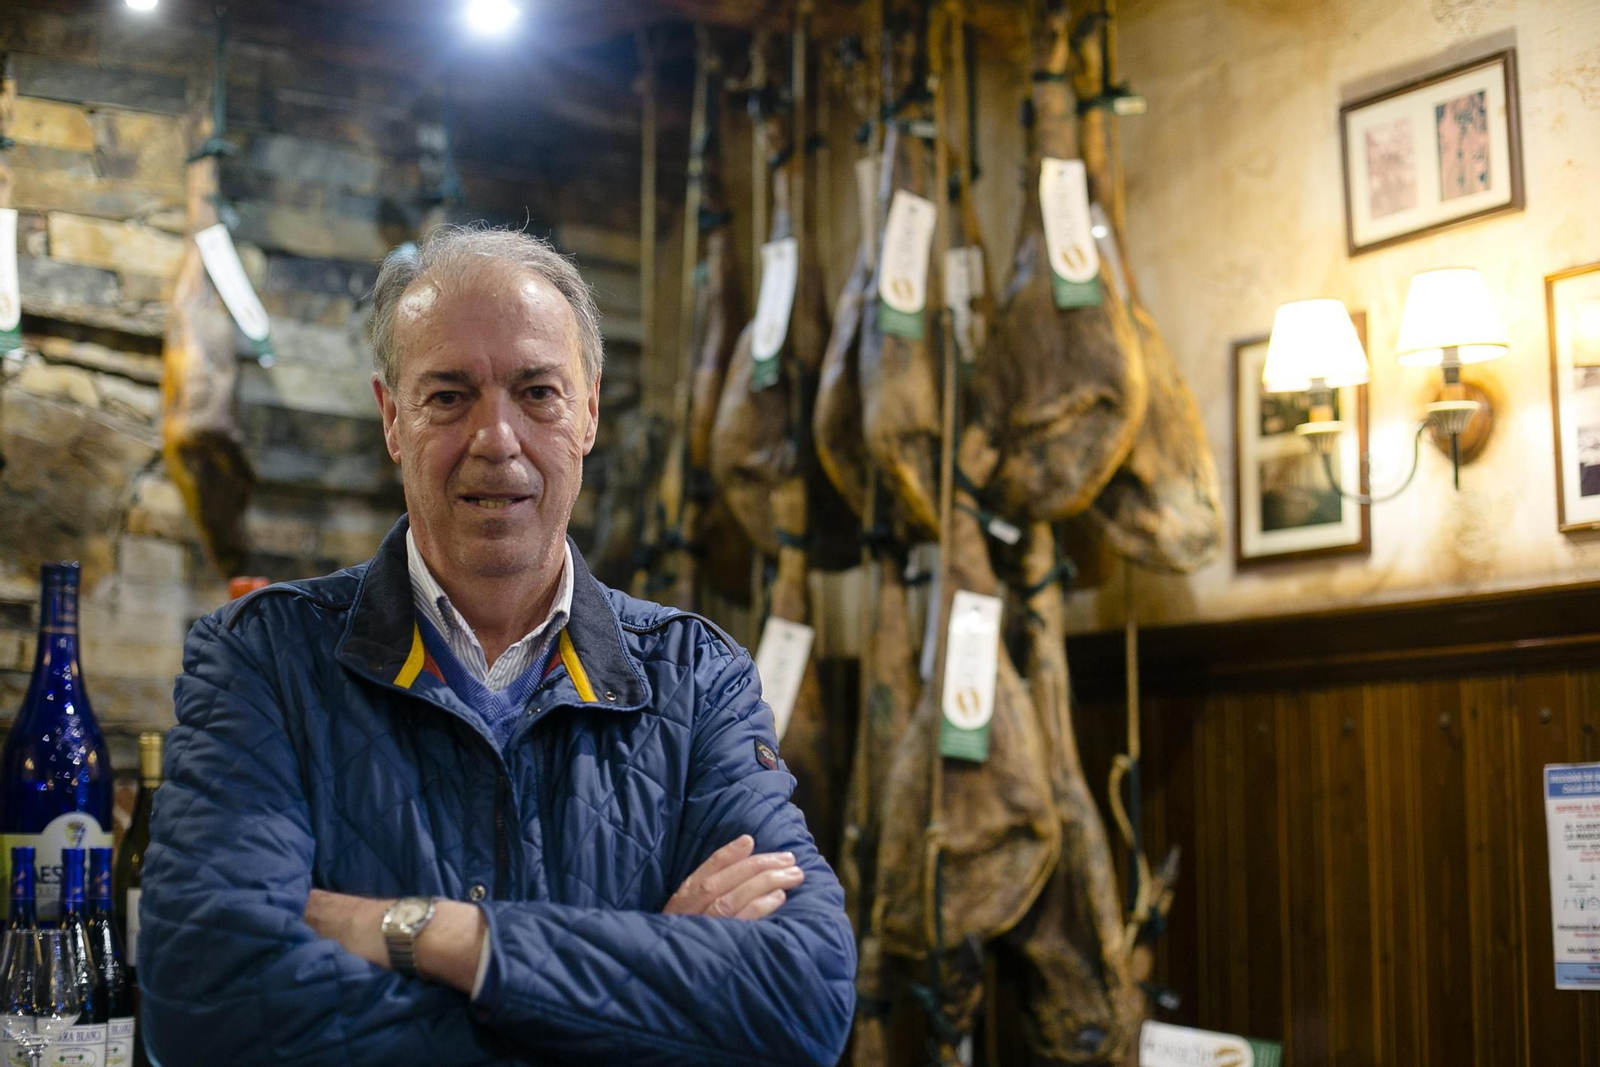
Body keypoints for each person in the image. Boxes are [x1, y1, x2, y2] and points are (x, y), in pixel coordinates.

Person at [139, 226, 856, 1065]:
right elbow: (205, 1001)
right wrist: (638, 982)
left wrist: (421, 932)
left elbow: (805, 995)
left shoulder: (697, 679)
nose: (498, 439)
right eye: (448, 395)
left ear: (588, 410)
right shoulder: (262, 660)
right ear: (392, 419)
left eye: (537, 392)